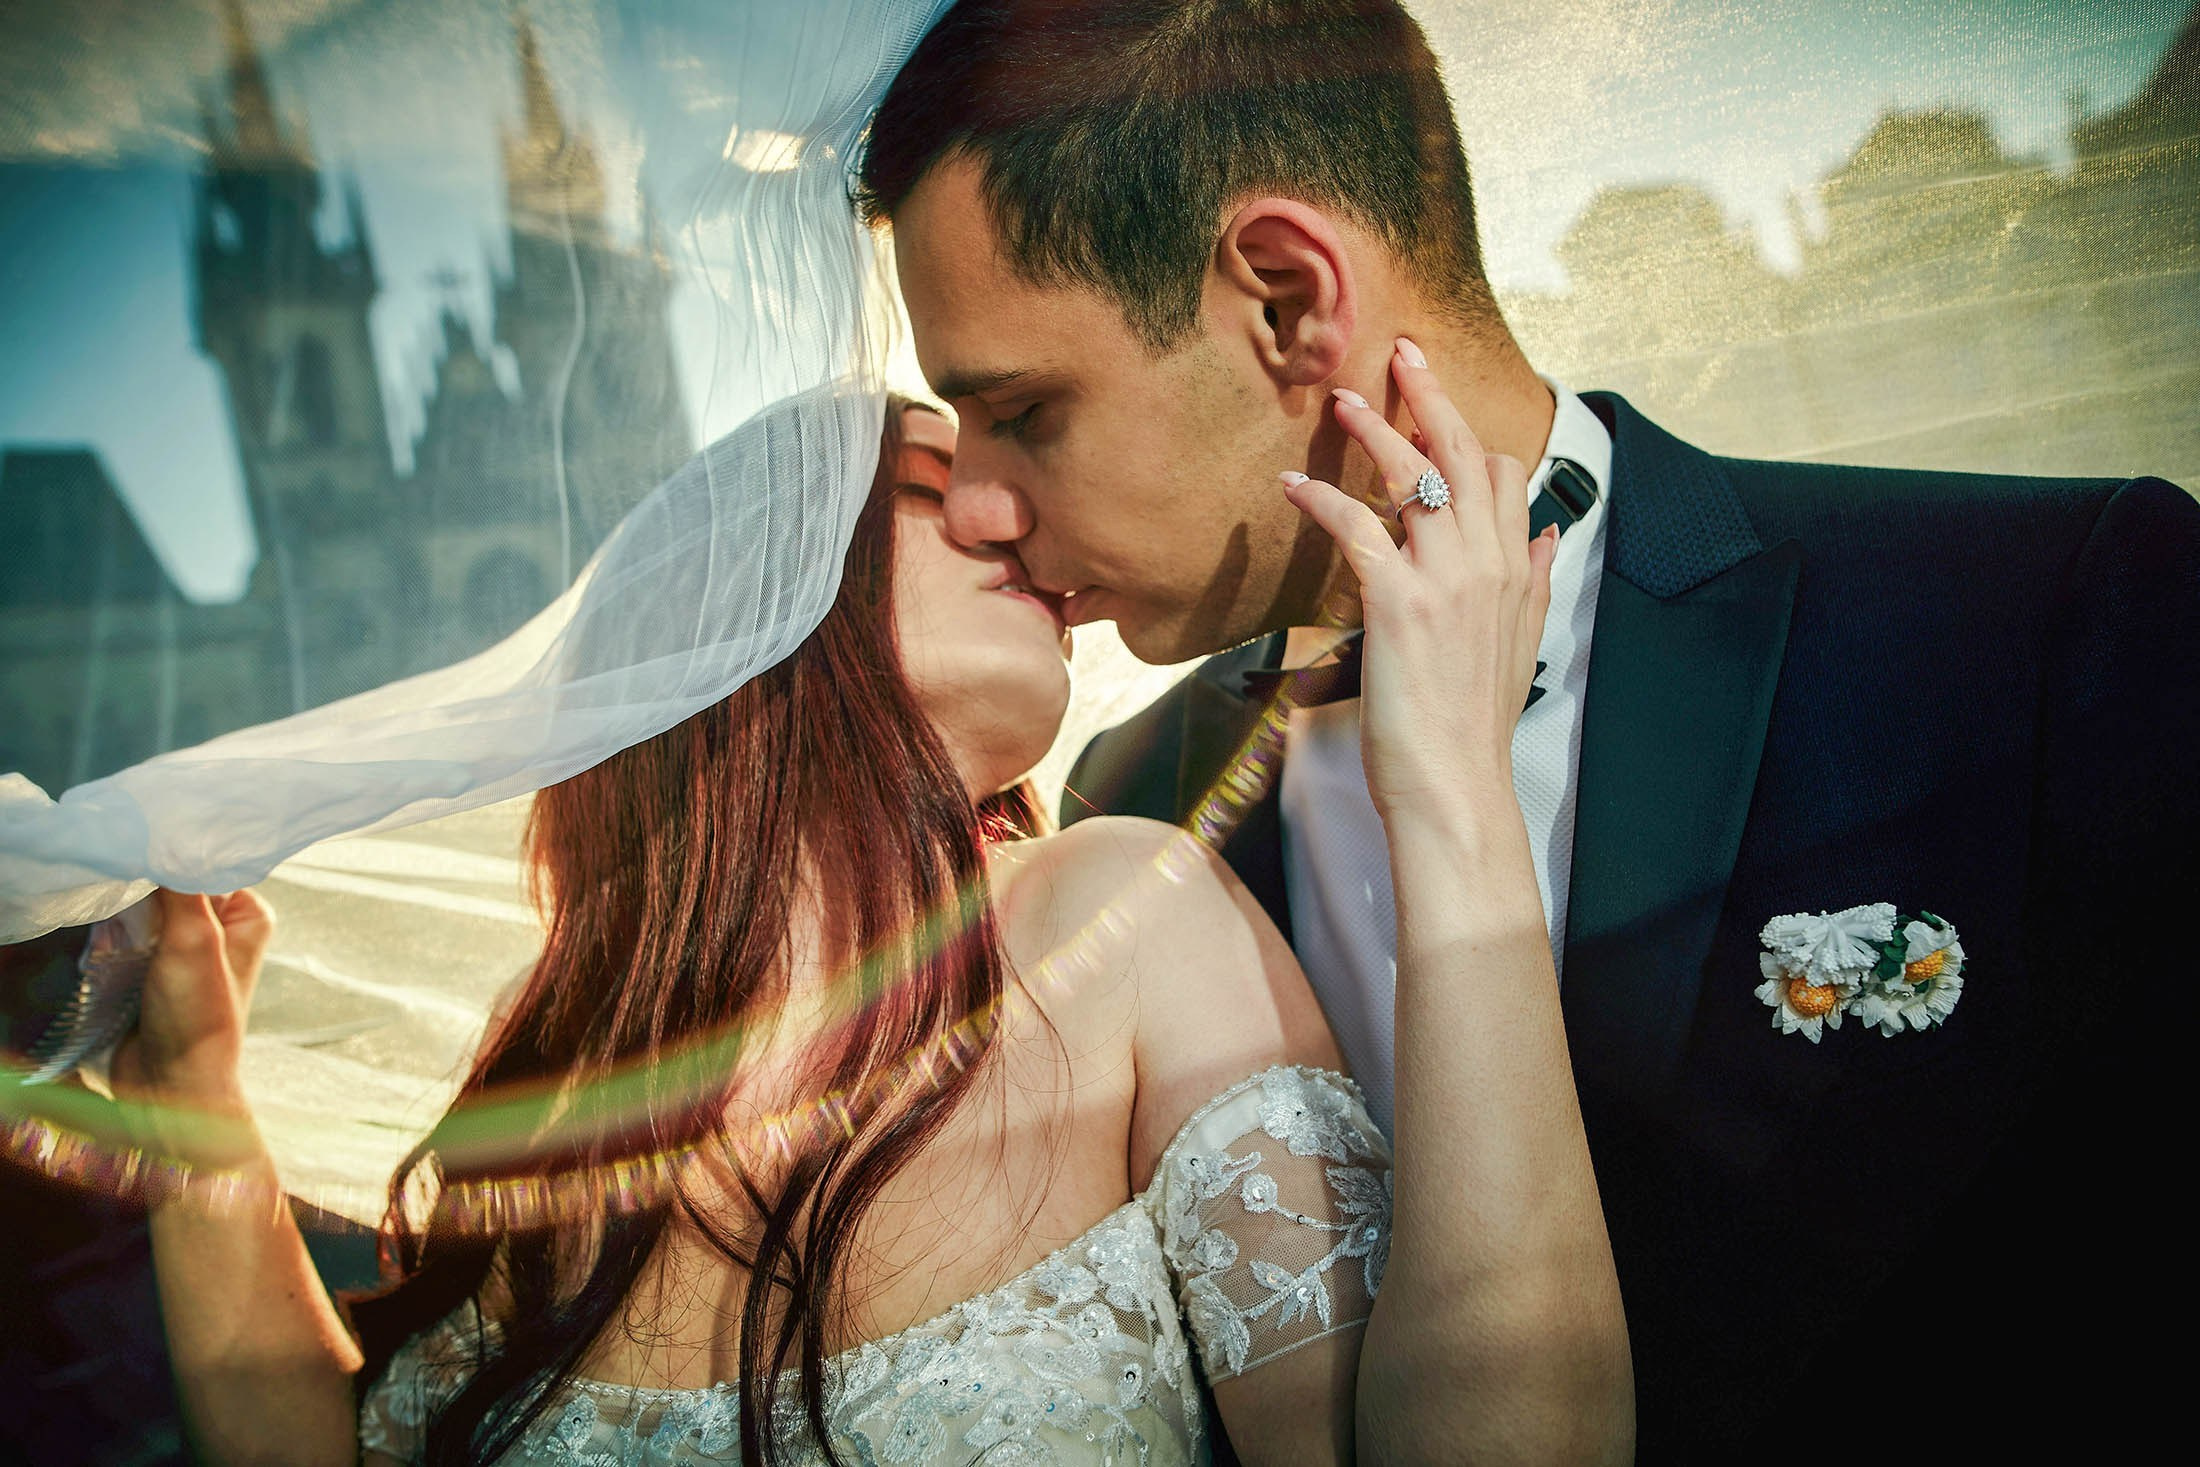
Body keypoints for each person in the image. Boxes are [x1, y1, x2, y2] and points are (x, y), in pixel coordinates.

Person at [853, 1, 2200, 1460]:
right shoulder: (1146, 804)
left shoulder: (2046, 616)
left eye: (1025, 410)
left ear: (1290, 301)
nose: (976, 504)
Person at [117, 397, 1631, 1464]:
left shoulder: (1118, 913)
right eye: (930, 481)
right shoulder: (557, 1109)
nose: (1011, 513)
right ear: (751, 600)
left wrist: (1451, 790)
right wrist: (192, 1096)